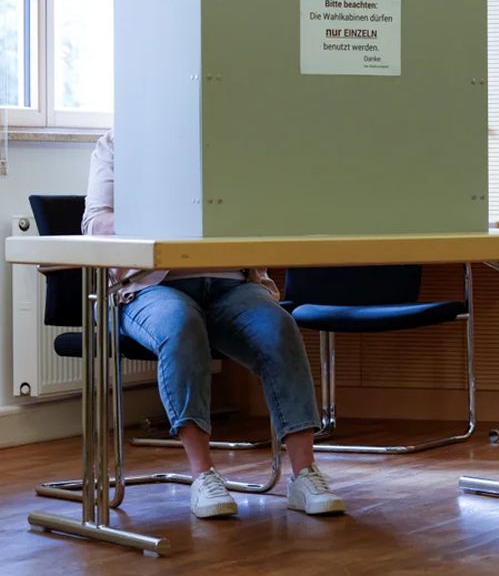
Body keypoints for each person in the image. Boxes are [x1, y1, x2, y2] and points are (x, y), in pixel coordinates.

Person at [83, 130, 346, 518]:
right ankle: (203, 475)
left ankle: (304, 474)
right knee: (180, 324)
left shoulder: (230, 140)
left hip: (231, 282)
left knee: (279, 328)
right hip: (150, 286)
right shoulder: (119, 142)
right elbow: (96, 223)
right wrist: (170, 220)